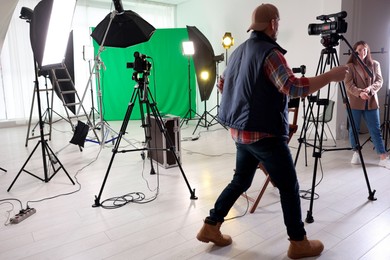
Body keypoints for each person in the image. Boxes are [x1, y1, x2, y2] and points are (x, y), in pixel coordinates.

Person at [196, 3, 348, 259]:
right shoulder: (271, 53)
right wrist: (330, 76)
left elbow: (223, 84)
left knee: (241, 180)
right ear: (273, 23)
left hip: (240, 133)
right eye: (277, 22)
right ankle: (298, 243)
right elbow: (293, 88)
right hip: (264, 134)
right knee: (289, 185)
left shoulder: (238, 51)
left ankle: (211, 225)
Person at [344, 41, 389, 168]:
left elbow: (379, 81)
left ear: (367, 50)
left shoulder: (375, 64)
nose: (362, 52)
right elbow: (349, 85)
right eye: (359, 50)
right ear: (354, 51)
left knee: (375, 130)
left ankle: (383, 157)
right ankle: (356, 153)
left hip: (371, 101)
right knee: (354, 130)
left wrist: (369, 90)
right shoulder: (350, 66)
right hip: (355, 102)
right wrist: (359, 93)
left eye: (364, 49)